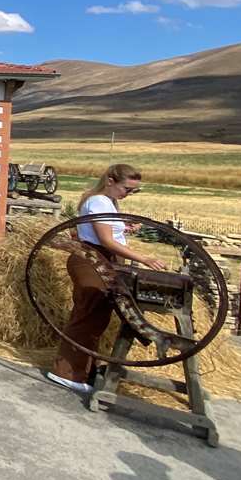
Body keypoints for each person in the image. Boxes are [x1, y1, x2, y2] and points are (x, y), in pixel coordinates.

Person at [47, 163, 165, 395]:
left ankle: (84, 371)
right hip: (93, 261)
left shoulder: (106, 201)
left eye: (133, 191)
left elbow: (108, 231)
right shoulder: (99, 201)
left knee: (95, 318)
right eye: (126, 189)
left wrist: (124, 227)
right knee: (87, 317)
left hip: (101, 261)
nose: (128, 194)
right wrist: (144, 259)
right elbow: (106, 240)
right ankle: (65, 373)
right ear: (110, 181)